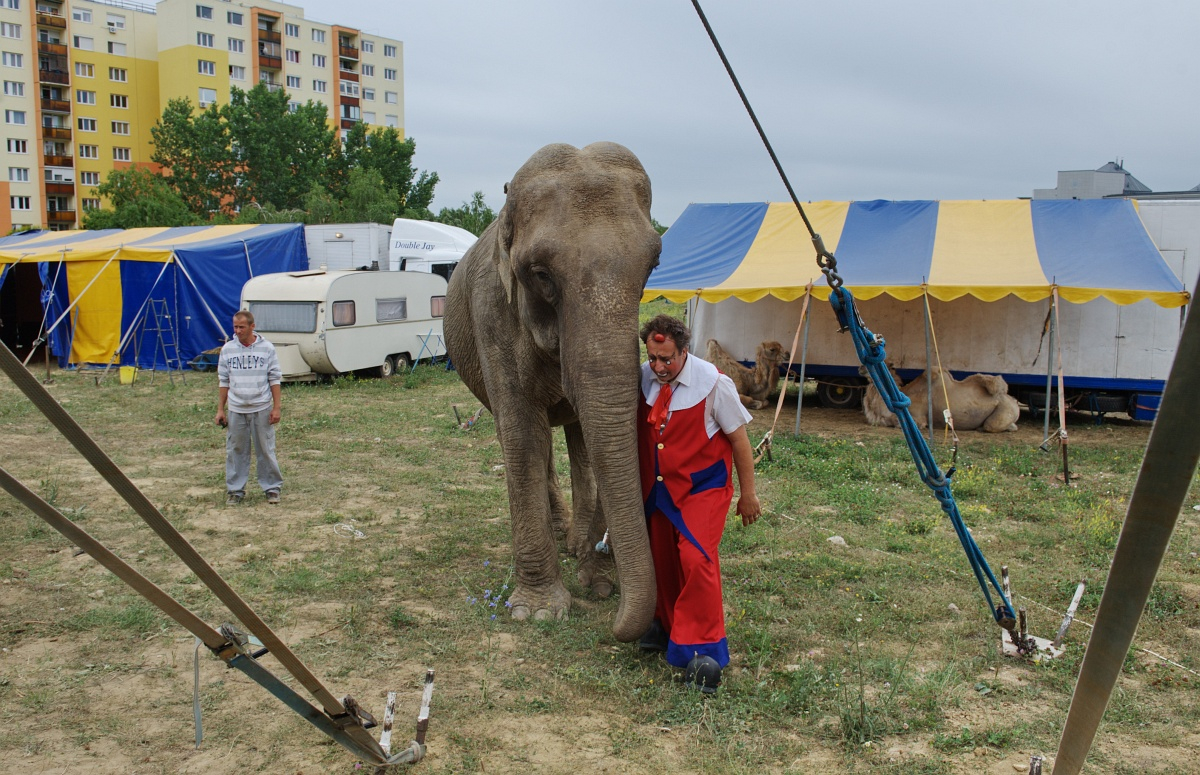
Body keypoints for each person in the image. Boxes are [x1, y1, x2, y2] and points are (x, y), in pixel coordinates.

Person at [636, 314, 761, 694]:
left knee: (695, 558)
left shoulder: (714, 385)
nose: (658, 366)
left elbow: (739, 441)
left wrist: (748, 494)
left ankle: (704, 649)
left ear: (684, 351)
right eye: (653, 357)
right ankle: (668, 623)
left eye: (667, 359)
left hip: (702, 488)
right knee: (661, 557)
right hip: (660, 487)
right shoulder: (645, 377)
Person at [215, 310, 283, 505]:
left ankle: (272, 488)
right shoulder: (228, 349)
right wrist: (221, 409)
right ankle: (236, 490)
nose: (237, 331)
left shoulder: (267, 348)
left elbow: (274, 378)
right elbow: (223, 380)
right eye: (235, 327)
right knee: (236, 449)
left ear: (252, 326)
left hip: (261, 406)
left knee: (265, 448)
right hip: (237, 408)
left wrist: (276, 407)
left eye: (241, 327)